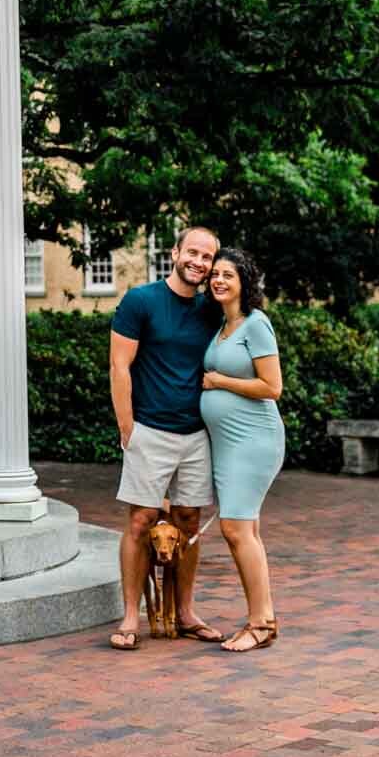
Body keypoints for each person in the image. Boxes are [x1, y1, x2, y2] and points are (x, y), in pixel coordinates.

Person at [106, 225, 226, 650]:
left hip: (196, 434)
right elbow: (120, 367)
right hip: (150, 430)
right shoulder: (142, 301)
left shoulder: (213, 309)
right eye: (192, 252)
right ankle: (129, 619)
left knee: (189, 523)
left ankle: (186, 613)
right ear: (175, 252)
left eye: (207, 257)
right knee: (140, 522)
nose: (198, 261)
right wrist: (127, 428)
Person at [199, 247, 285, 652]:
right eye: (215, 274)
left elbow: (272, 387)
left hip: (253, 440)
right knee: (243, 529)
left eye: (228, 275)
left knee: (235, 528)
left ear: (243, 282)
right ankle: (262, 618)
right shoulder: (222, 328)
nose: (218, 280)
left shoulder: (256, 324)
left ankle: (261, 623)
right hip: (229, 443)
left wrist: (219, 383)